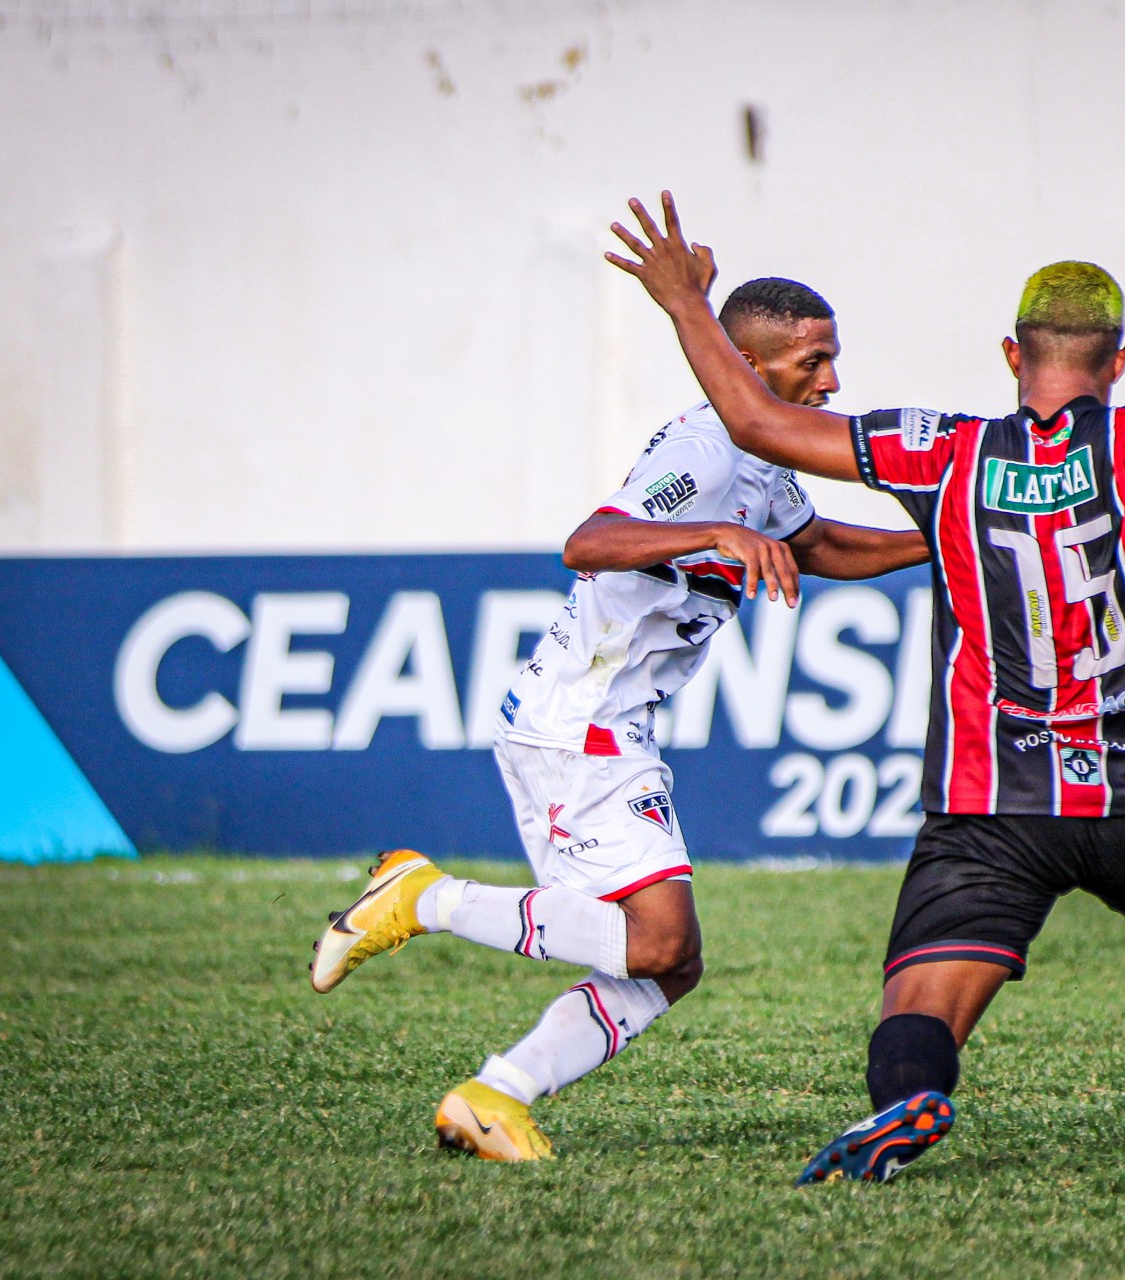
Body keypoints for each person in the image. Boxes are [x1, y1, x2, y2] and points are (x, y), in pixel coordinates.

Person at [604, 193, 1125, 1185]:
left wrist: (687, 301)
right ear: (1117, 362)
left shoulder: (945, 452)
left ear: (1008, 355)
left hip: (990, 800)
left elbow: (754, 420)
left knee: (922, 1001)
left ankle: (909, 1101)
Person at [308, 276, 929, 1162]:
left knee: (669, 964)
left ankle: (493, 1095)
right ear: (745, 367)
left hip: (602, 724)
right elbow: (589, 541)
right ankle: (422, 898)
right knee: (661, 942)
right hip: (581, 723)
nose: (831, 382)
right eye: (813, 361)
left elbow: (821, 545)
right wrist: (712, 534)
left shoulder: (762, 455)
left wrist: (947, 537)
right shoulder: (708, 448)